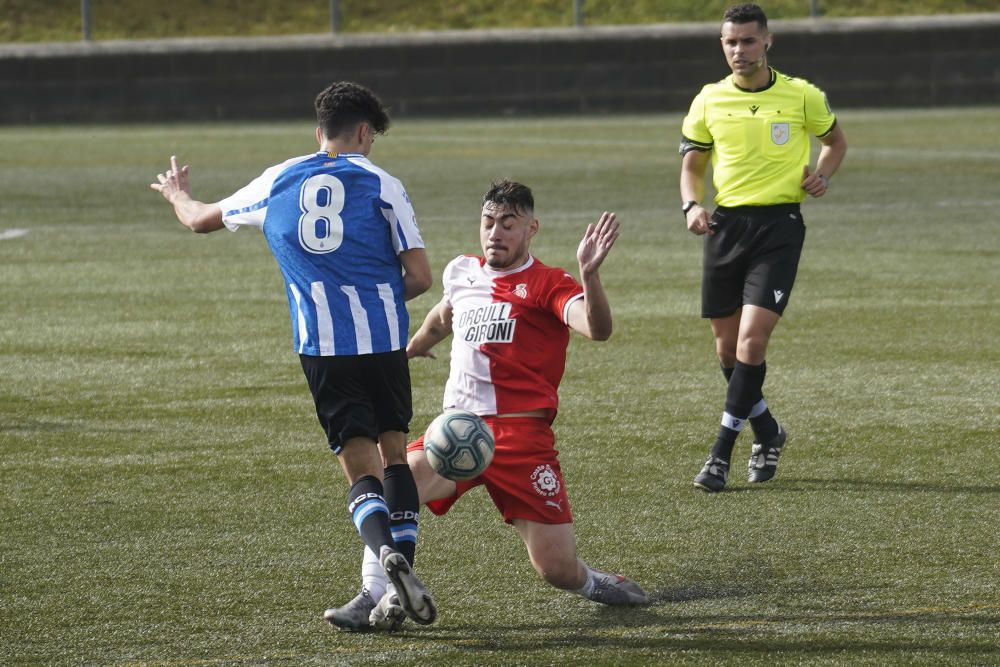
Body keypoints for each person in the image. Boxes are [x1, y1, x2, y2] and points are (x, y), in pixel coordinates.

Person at [150, 81, 438, 626]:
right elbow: (420, 276)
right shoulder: (383, 183)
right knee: (395, 454)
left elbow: (199, 219)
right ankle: (396, 578)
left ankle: (383, 556)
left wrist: (174, 193)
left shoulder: (279, 177)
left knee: (359, 468)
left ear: (318, 132)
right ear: (361, 133)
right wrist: (370, 297)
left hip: (322, 346)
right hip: (380, 340)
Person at [326, 179, 649, 632]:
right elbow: (442, 318)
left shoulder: (547, 283)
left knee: (556, 569)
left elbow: (596, 328)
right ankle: (374, 594)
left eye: (509, 224)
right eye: (489, 222)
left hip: (521, 440)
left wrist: (590, 276)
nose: (496, 233)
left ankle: (593, 582)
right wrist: (410, 350)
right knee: (389, 484)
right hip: (454, 430)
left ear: (531, 228)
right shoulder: (463, 272)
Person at [678, 4, 848, 492]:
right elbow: (692, 166)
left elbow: (835, 142)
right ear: (722, 44)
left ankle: (719, 455)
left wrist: (822, 175)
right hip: (726, 228)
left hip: (780, 227)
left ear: (768, 42)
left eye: (749, 41)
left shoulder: (800, 95)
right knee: (727, 349)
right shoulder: (708, 100)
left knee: (752, 340)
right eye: (731, 42)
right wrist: (692, 207)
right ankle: (769, 431)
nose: (739, 50)